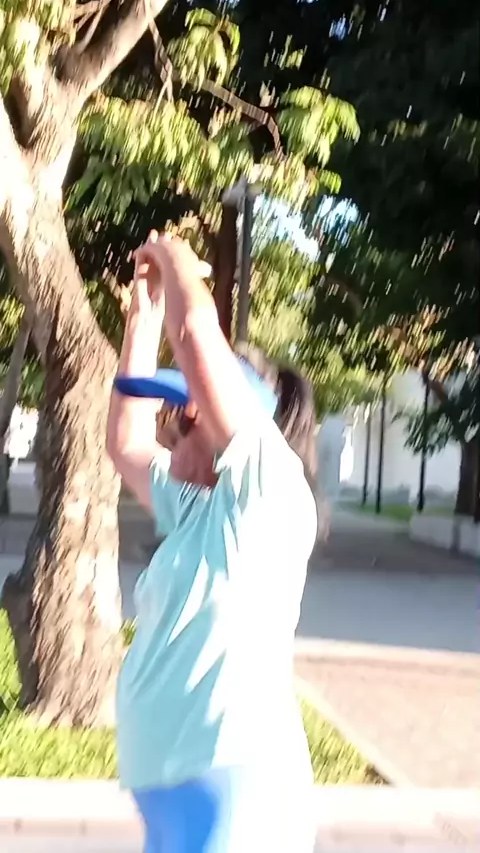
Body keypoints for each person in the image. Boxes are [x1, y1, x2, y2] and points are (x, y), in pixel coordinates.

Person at [106, 231, 320, 853]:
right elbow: (124, 441)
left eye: (179, 420)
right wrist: (144, 316)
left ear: (212, 419)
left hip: (240, 798)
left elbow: (197, 336)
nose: (167, 432)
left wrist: (171, 256)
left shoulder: (267, 495)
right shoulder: (197, 508)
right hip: (178, 803)